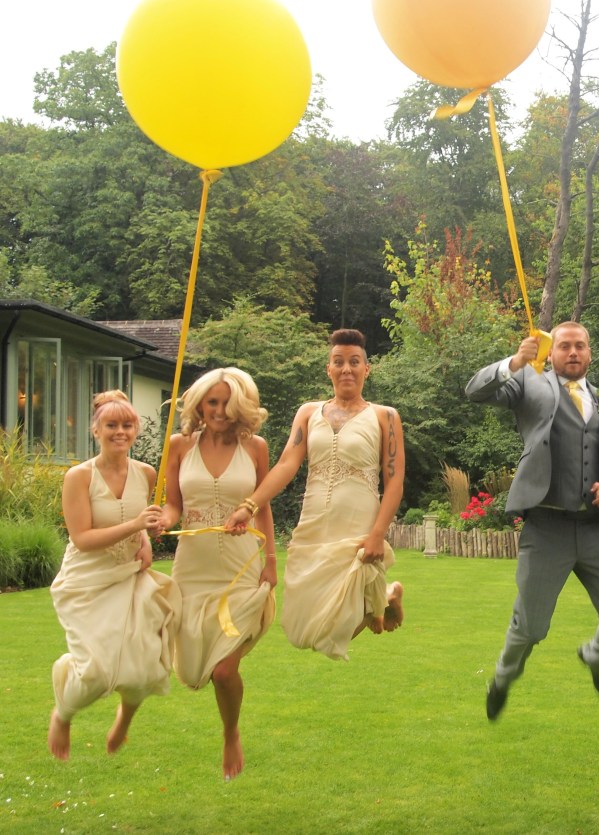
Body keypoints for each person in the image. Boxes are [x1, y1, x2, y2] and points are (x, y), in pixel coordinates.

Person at [466, 321, 599, 720]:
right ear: (553, 351)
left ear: (590, 352)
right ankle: (504, 676)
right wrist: (514, 362)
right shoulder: (529, 383)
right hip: (547, 526)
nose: (573, 352)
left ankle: (597, 657)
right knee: (531, 627)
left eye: (580, 346)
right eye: (564, 346)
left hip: (597, 528)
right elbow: (475, 391)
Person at [224, 329, 405, 660]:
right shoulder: (308, 412)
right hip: (313, 524)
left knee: (331, 633)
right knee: (300, 632)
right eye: (339, 362)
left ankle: (380, 600)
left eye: (354, 362)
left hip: (357, 526)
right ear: (329, 369)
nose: (346, 369)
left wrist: (378, 534)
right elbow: (285, 465)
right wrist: (249, 506)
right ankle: (383, 599)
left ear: (366, 369)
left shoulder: (386, 416)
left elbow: (395, 482)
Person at [47, 391, 180, 760]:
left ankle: (125, 717)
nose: (120, 432)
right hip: (86, 580)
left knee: (144, 664)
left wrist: (147, 536)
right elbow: (82, 538)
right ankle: (63, 713)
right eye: (111, 425)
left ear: (135, 430)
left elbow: (143, 522)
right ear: (96, 430)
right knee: (95, 672)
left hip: (129, 575)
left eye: (127, 425)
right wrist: (136, 525)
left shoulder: (147, 474)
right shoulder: (79, 477)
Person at [158, 367, 277, 780]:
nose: (221, 411)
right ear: (200, 405)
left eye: (228, 403)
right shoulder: (179, 446)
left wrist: (271, 561)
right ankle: (228, 726)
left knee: (224, 670)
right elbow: (174, 506)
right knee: (197, 670)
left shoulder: (255, 448)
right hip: (192, 570)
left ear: (241, 406)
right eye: (213, 402)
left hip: (241, 569)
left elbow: (263, 506)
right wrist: (162, 520)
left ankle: (231, 733)